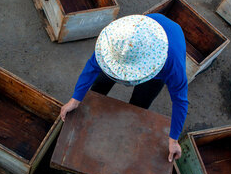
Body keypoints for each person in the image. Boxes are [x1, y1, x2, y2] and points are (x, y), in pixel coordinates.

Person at [60, 14, 188, 162]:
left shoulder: (173, 65)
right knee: (100, 84)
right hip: (144, 31)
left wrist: (173, 140)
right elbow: (92, 67)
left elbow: (180, 101)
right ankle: (90, 106)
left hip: (165, 53)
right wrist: (75, 99)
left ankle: (124, 135)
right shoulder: (113, 42)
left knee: (139, 105)